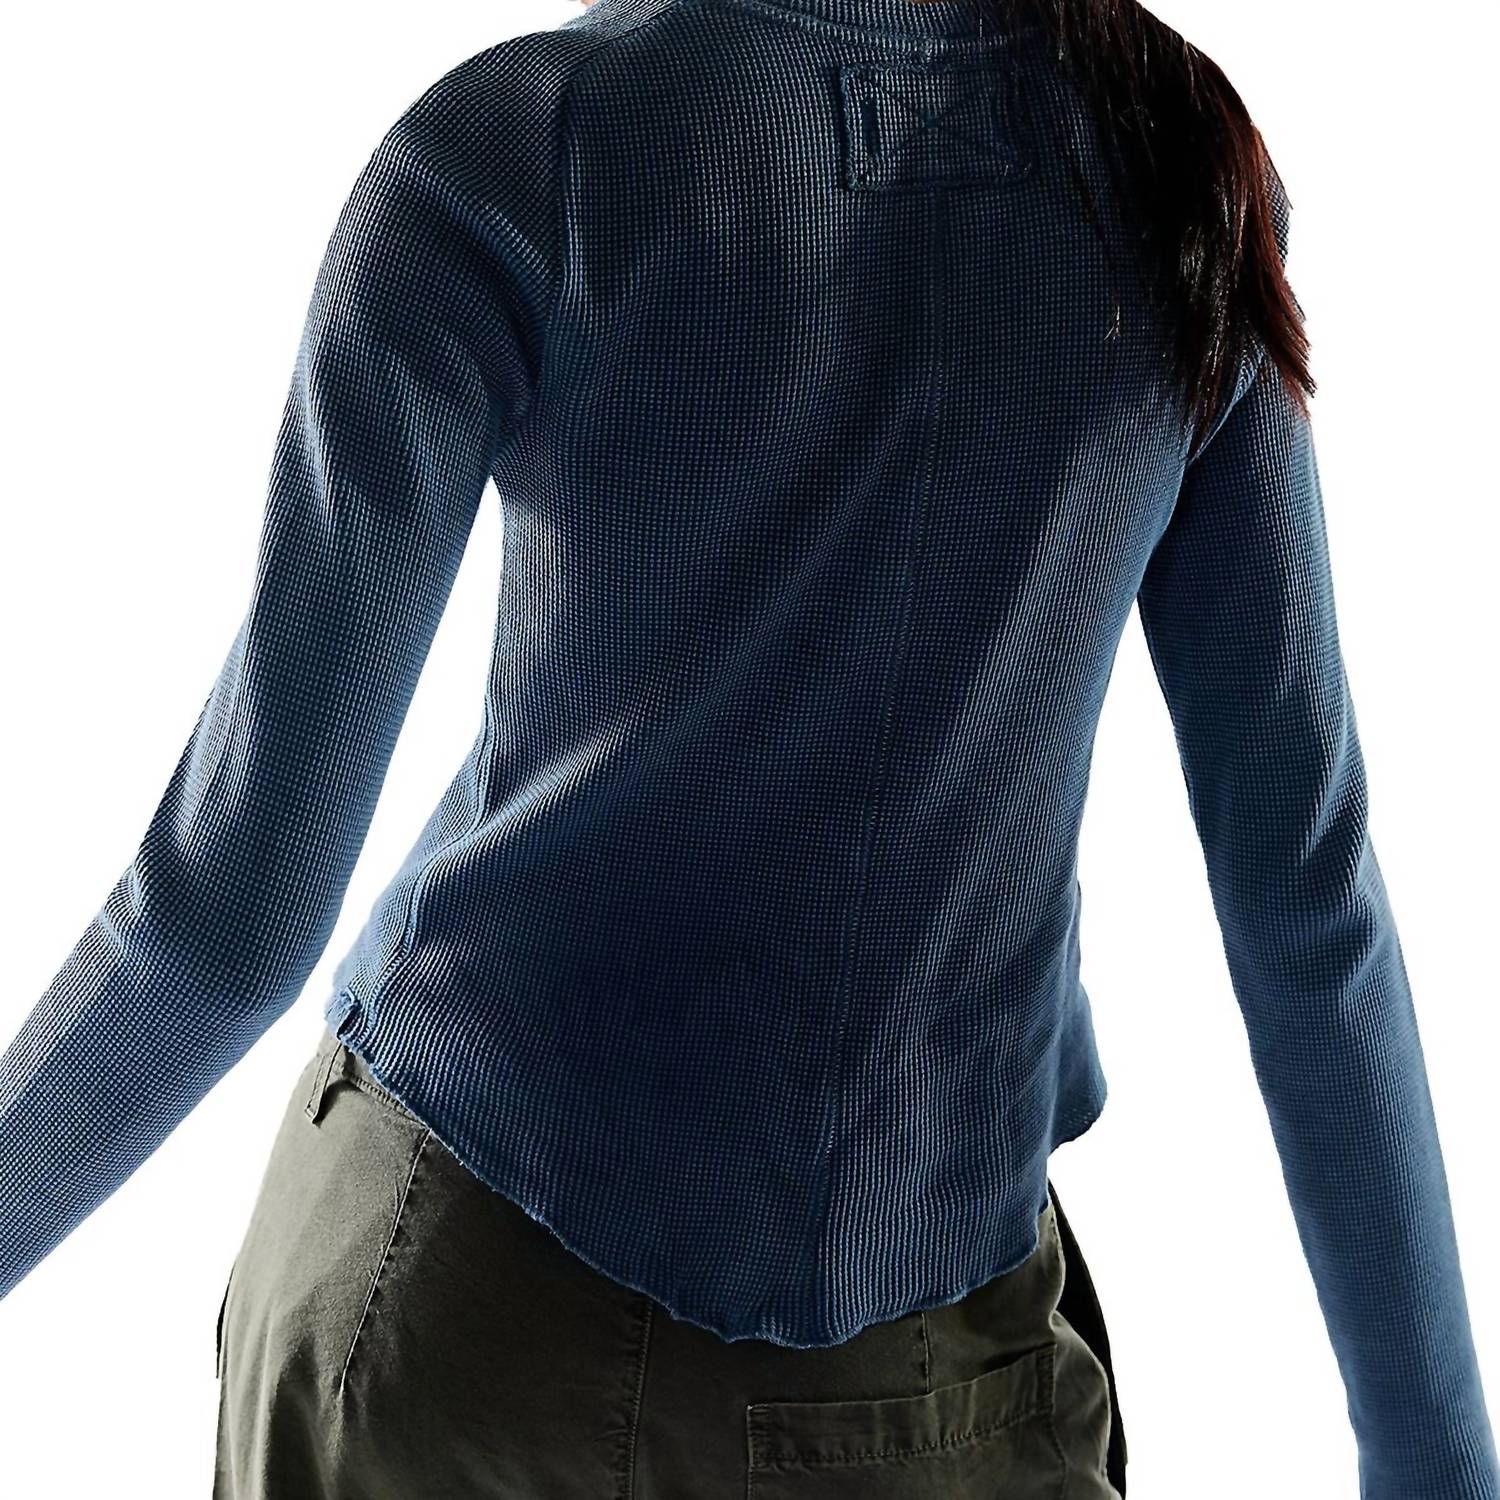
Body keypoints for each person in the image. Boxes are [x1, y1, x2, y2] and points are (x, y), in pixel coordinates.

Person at [1, 0, 1495, 1495]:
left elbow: (227, 916)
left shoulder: (523, 140)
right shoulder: (1177, 166)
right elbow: (1306, 895)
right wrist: (1440, 1469)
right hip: (918, 1346)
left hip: (442, 1304)